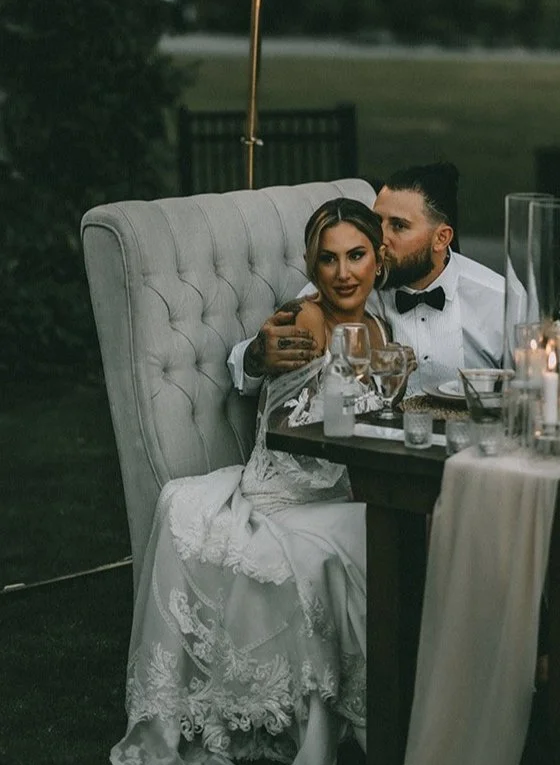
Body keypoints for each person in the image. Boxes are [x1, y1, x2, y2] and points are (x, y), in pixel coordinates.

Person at [110, 198, 390, 765]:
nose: (343, 273)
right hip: (282, 496)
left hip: (336, 491)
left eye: (356, 256)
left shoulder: (376, 327)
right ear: (313, 267)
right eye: (329, 259)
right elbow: (286, 406)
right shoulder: (304, 322)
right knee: (360, 548)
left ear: (378, 261)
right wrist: (261, 356)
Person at [230, 162, 505, 396]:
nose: (380, 238)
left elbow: (536, 389)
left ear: (441, 238)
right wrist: (256, 357)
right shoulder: (349, 283)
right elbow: (258, 355)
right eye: (377, 221)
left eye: (398, 226)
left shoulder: (499, 299)